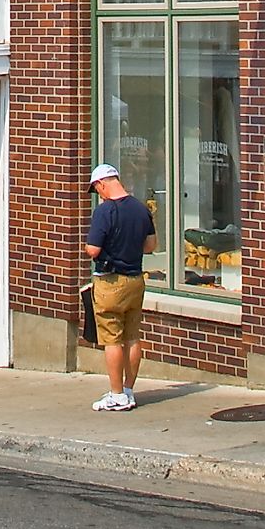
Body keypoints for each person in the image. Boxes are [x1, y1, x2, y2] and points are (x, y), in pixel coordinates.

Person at [82, 162, 154, 412]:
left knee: (112, 340)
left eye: (96, 189)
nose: (98, 194)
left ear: (102, 184)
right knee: (133, 337)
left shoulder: (104, 212)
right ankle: (128, 389)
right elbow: (151, 246)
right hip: (136, 279)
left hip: (110, 281)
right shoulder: (141, 209)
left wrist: (90, 248)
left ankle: (116, 395)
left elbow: (93, 249)